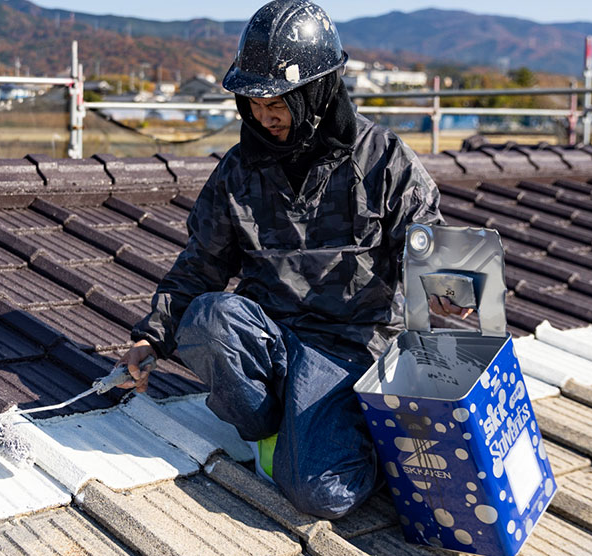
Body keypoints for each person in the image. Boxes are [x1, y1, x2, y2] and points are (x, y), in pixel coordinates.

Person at [116, 0, 469, 519]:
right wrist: (151, 336)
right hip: (274, 339)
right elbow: (200, 264)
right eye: (253, 103)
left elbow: (434, 253)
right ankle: (279, 427)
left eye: (278, 101)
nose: (264, 115)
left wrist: (456, 324)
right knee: (209, 319)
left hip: (349, 350)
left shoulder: (384, 160)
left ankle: (353, 432)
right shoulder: (240, 170)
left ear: (318, 91)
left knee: (322, 495)